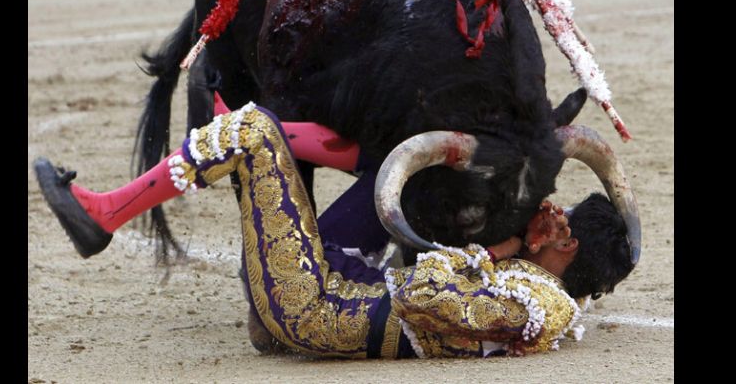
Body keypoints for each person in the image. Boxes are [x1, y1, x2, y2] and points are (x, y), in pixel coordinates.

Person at [34, 102, 633, 358]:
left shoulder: (537, 302)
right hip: (342, 287)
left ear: (566, 244)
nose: (547, 212)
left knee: (252, 130)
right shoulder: (543, 293)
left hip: (311, 304)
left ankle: (107, 213)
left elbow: (424, 295)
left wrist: (498, 247)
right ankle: (240, 141)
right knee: (396, 160)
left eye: (558, 218)